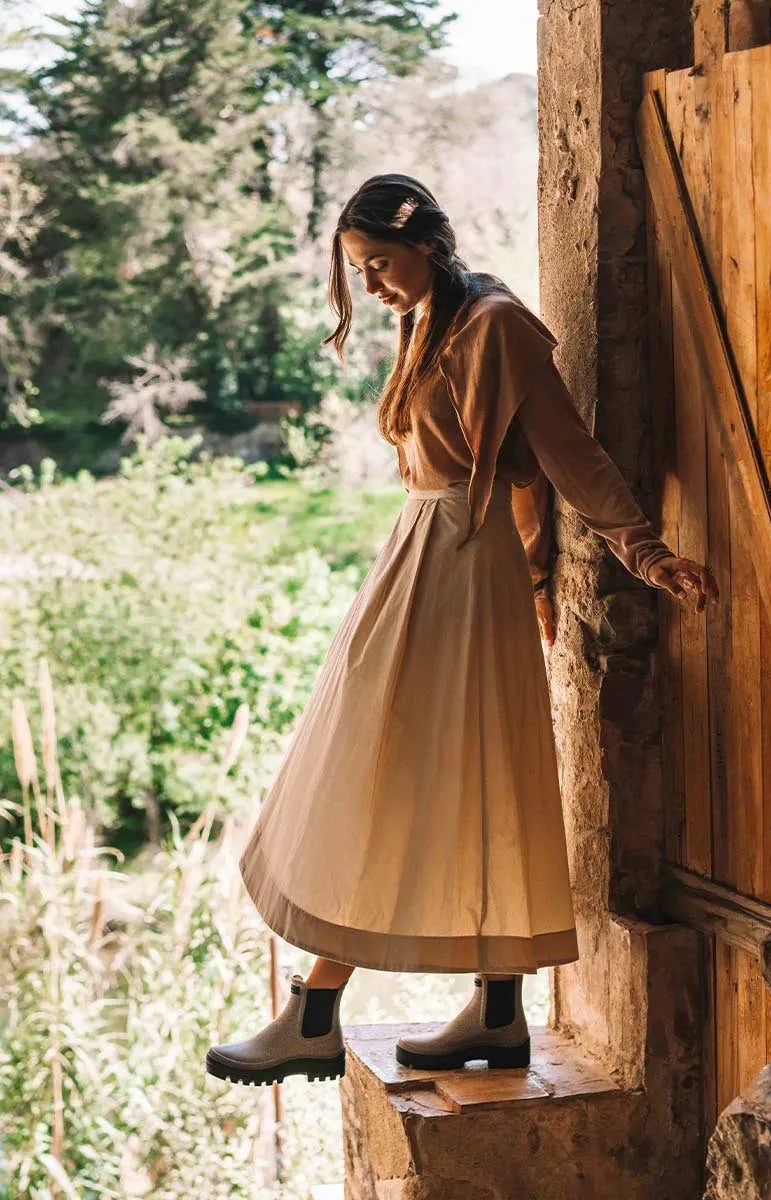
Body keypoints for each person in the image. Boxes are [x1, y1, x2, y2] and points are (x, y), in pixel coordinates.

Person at [206, 173, 718, 1087]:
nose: (370, 286)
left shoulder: (496, 328)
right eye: (358, 270)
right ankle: (493, 1011)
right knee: (424, 766)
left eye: (380, 264)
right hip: (425, 554)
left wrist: (643, 551)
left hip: (456, 565)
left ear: (429, 246)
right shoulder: (428, 319)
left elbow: (565, 454)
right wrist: (532, 571)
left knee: (403, 765)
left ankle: (319, 1013)